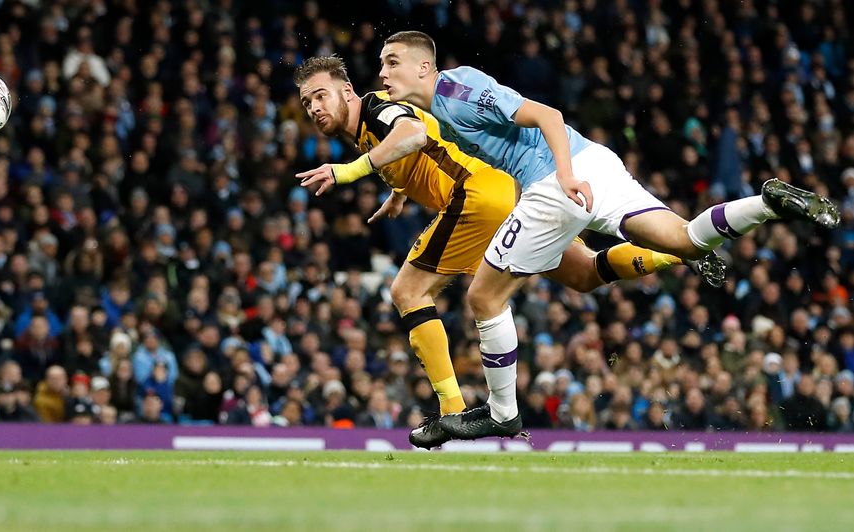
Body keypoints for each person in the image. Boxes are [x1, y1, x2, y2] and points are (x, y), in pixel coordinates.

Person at [326, 30, 838, 441]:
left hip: (557, 180)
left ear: (423, 67)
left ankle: (502, 414)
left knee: (484, 298)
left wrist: (565, 176)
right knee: (683, 239)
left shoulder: (455, 92)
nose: (382, 73)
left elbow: (546, 115)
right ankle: (767, 204)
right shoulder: (442, 102)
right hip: (595, 162)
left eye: (392, 62)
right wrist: (400, 190)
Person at [293, 56, 723, 448]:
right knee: (584, 274)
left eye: (321, 95)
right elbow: (418, 144)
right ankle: (679, 252)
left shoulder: (377, 107)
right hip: (509, 194)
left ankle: (452, 411)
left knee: (408, 291)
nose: (314, 107)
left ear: (347, 91)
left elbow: (412, 132)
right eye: (307, 102)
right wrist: (399, 191)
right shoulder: (367, 130)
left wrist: (348, 172)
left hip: (476, 197)